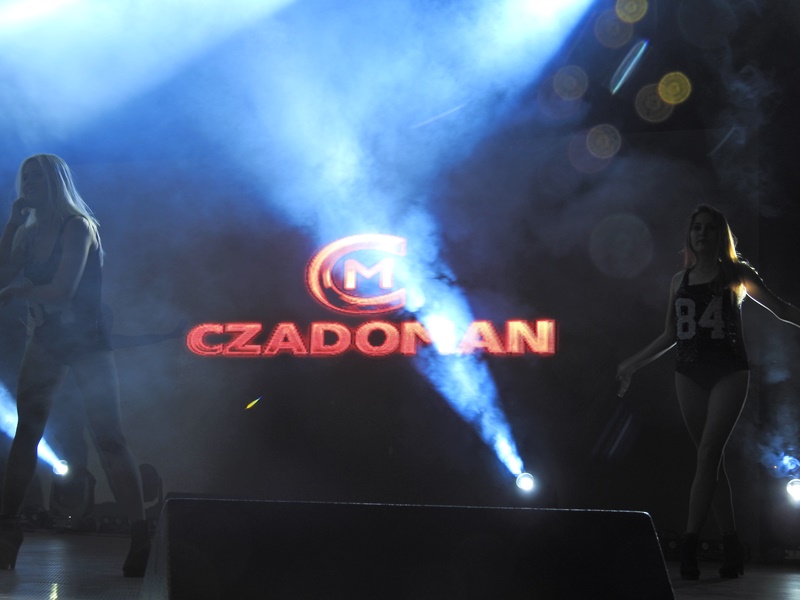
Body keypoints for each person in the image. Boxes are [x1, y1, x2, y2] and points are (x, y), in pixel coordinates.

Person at [616, 204, 800, 580]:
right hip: (688, 374)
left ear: (721, 235)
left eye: (710, 228)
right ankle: (732, 546)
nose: (702, 233)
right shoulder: (678, 280)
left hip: (729, 371)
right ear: (690, 235)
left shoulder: (736, 273)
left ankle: (689, 545)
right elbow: (671, 334)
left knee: (708, 454)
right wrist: (632, 363)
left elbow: (780, 309)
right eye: (696, 227)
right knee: (709, 462)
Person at [0, 154, 150, 576]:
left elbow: (63, 290)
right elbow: (2, 274)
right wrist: (11, 225)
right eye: (25, 177)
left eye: (38, 177)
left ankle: (141, 535)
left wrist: (16, 294)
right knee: (27, 433)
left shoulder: (78, 226)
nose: (29, 184)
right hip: (48, 339)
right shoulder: (29, 231)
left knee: (109, 438)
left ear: (55, 181)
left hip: (87, 342)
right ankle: (7, 531)